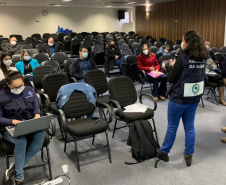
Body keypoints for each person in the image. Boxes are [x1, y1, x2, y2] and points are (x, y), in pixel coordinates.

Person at [157, 31, 208, 167]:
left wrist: (169, 66)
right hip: (194, 98)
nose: (182, 42)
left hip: (178, 99)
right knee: (190, 127)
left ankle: (164, 152)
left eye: (183, 40)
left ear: (188, 42)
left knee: (172, 126)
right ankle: (188, 154)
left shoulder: (182, 58)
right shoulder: (203, 57)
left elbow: (171, 78)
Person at [0, 71, 45, 184]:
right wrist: (13, 121)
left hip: (29, 123)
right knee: (21, 140)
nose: (19, 88)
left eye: (21, 85)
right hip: (10, 127)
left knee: (41, 136)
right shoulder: (2, 96)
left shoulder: (29, 90)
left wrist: (37, 115)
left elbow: (36, 106)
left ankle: (14, 167)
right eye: (16, 87)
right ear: (8, 84)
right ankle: (19, 176)